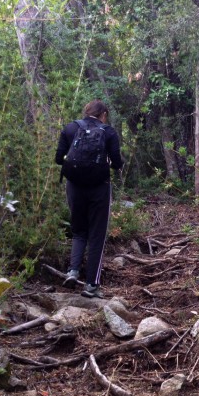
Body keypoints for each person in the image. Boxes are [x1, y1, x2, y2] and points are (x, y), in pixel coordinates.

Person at [55, 100, 123, 298]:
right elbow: (117, 162)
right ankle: (92, 284)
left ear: (86, 112)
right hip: (99, 189)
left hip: (74, 187)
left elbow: (59, 159)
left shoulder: (70, 128)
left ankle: (73, 271)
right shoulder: (108, 132)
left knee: (78, 231)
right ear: (103, 114)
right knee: (97, 236)